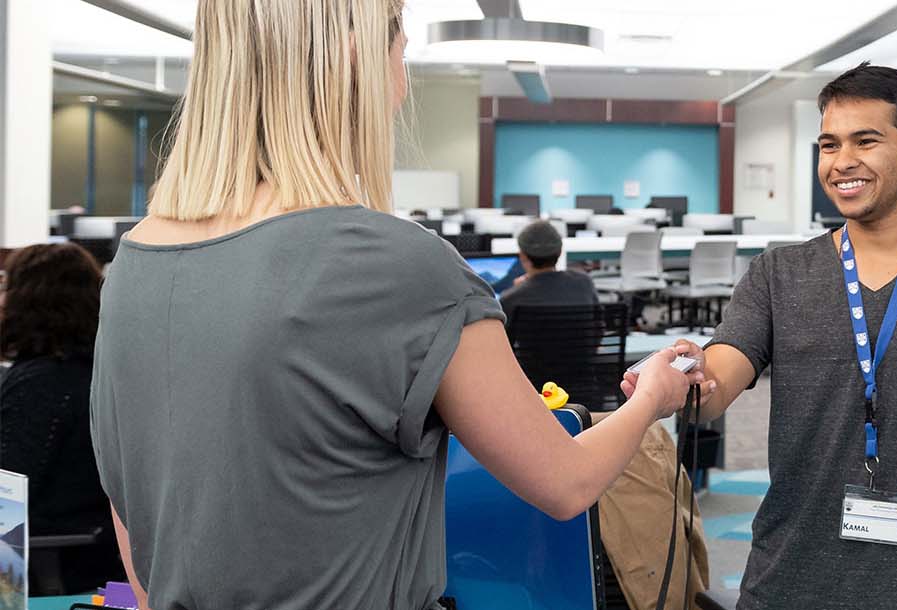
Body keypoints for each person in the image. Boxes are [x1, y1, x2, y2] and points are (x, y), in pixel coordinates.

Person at [89, 3, 702, 608]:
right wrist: (653, 396)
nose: (403, 85)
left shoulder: (133, 264)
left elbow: (137, 519)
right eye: (401, 50)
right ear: (353, 55)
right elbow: (566, 482)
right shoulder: (400, 266)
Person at [641, 63, 897, 609]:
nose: (842, 161)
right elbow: (721, 374)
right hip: (786, 583)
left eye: (865, 141)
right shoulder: (779, 274)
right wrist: (691, 378)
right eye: (829, 144)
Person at [0, 243, 124, 594]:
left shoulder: (40, 384)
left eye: (7, 287)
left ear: (29, 300)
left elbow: (9, 493)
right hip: (95, 561)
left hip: (46, 568)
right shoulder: (95, 372)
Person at [498, 220, 597, 323]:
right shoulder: (585, 282)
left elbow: (503, 337)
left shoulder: (510, 299)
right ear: (559, 252)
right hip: (579, 339)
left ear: (522, 256)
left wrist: (517, 289)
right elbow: (598, 327)